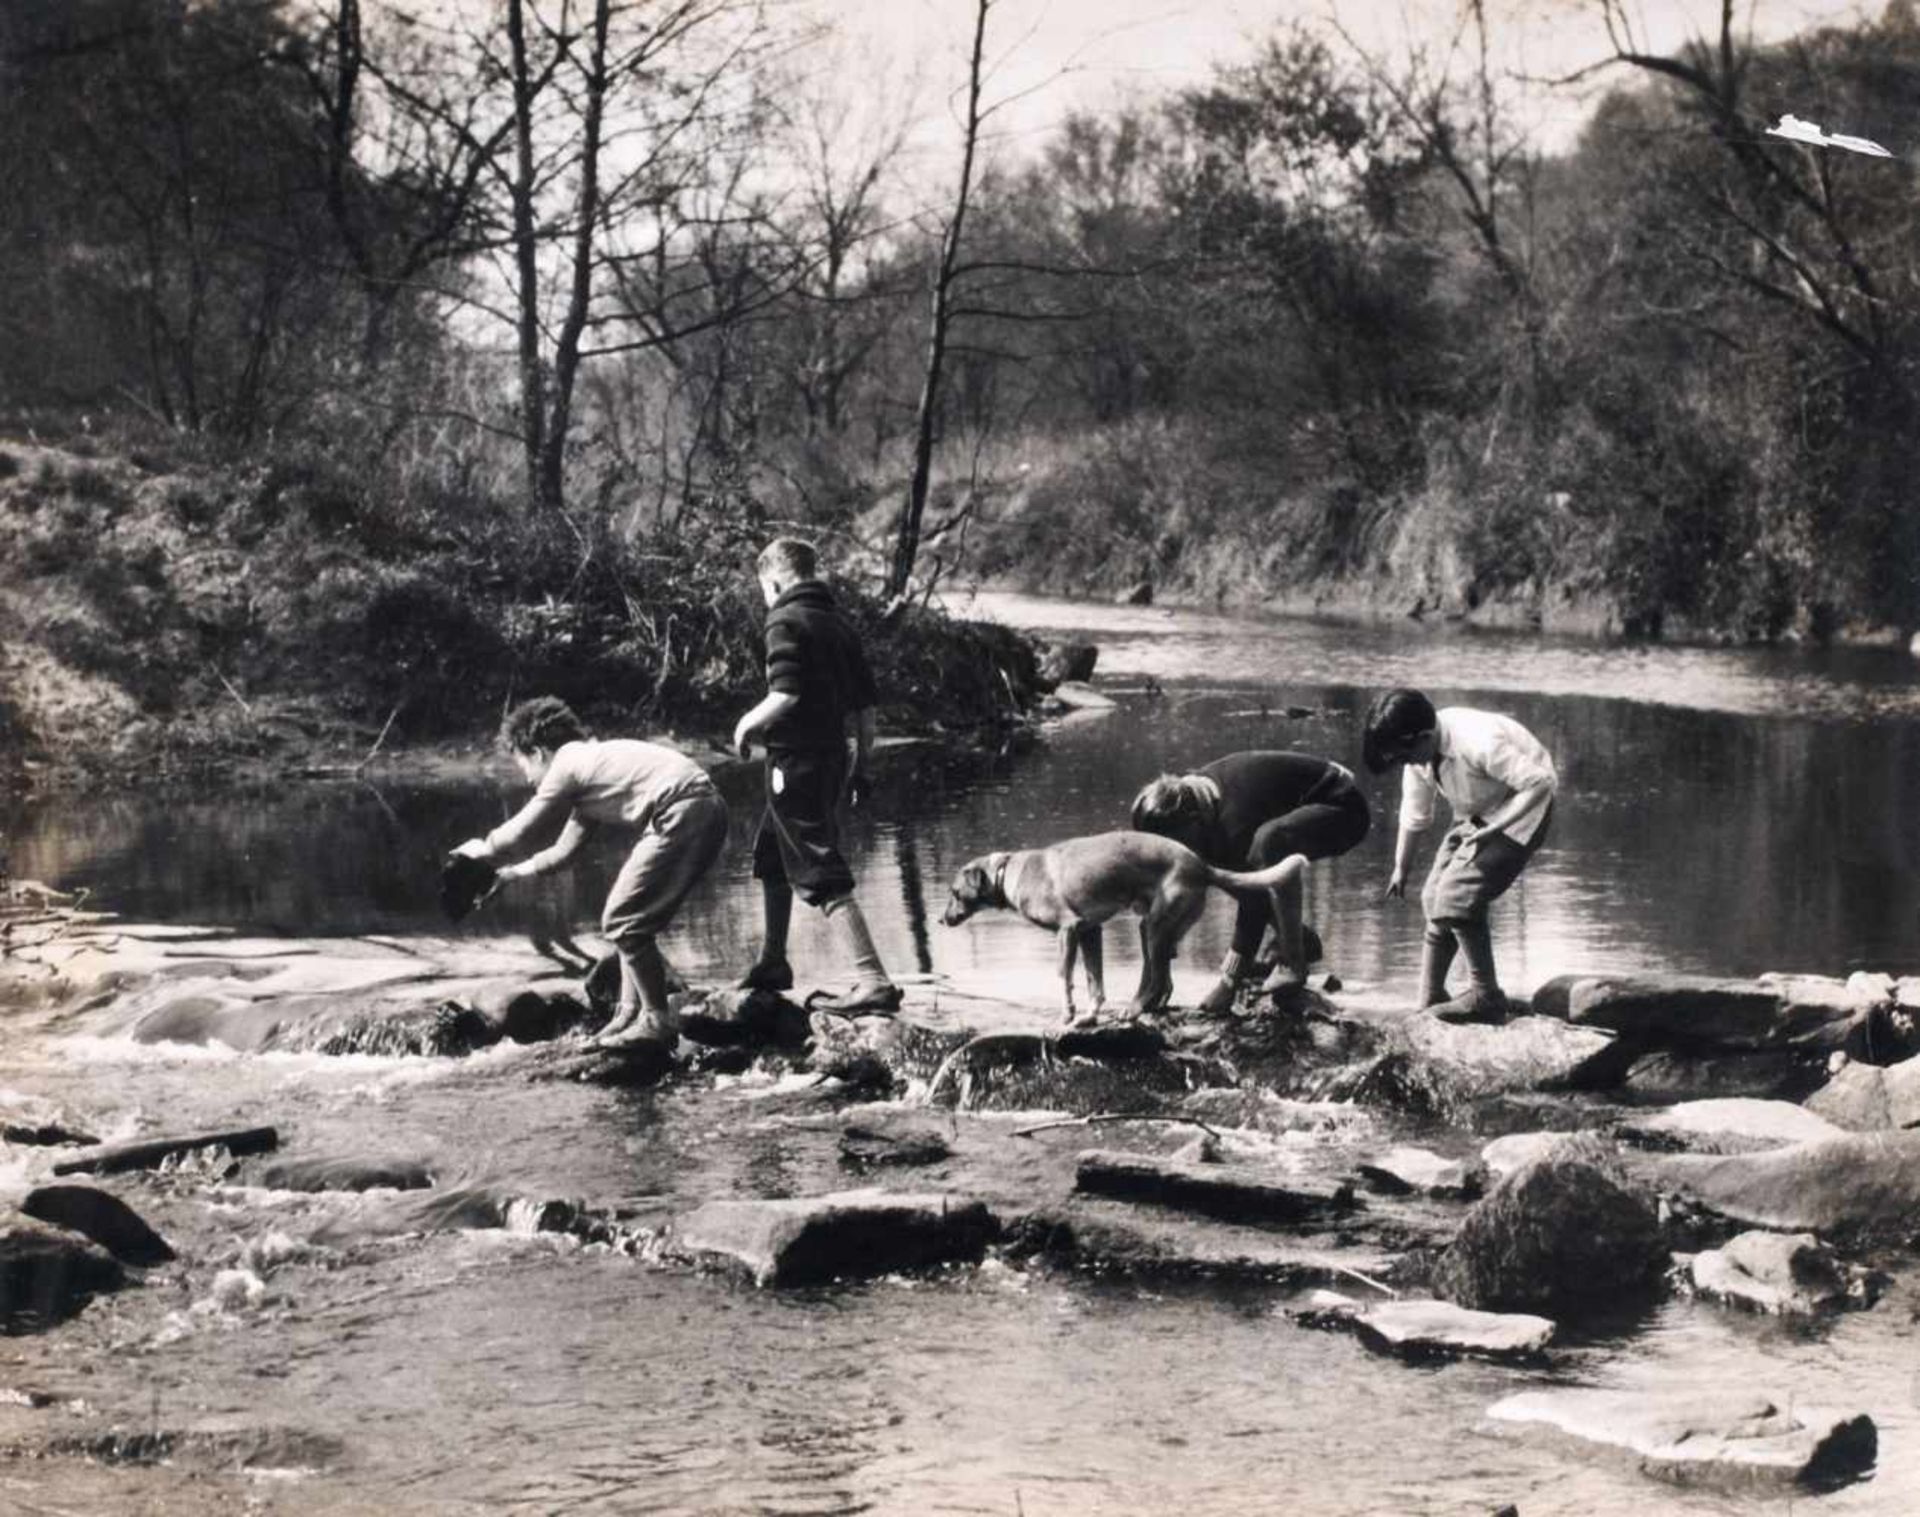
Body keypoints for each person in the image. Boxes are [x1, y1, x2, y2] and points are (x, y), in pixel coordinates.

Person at [454, 697, 729, 1051]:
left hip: (682, 810)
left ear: (537, 752)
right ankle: (629, 1015)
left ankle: (657, 1021)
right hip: (703, 808)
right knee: (633, 922)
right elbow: (562, 853)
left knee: (622, 918)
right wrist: (509, 874)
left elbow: (521, 829)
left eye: (523, 765)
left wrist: (480, 850)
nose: (526, 777)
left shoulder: (567, 762)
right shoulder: (589, 773)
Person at [730, 537, 902, 1014]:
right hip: (832, 759)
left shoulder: (784, 619)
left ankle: (873, 979)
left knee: (819, 868)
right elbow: (867, 710)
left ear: (775, 581)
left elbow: (785, 695)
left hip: (794, 762)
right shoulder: (840, 625)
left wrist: (746, 724)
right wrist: (862, 769)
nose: (766, 597)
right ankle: (772, 962)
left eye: (765, 589)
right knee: (772, 854)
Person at [1362, 688, 1557, 1018]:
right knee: (1433, 896)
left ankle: (1486, 996)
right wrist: (1401, 868)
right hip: (1477, 809)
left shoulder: (1478, 741)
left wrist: (1496, 829)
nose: (1405, 764)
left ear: (1424, 737)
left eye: (1405, 756)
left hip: (1522, 808)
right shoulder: (1419, 754)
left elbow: (1540, 784)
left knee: (1458, 897)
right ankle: (1431, 995)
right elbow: (1414, 814)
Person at [1130, 750, 1371, 1015]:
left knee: (1268, 845)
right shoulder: (1197, 804)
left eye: (1179, 842)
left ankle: (1293, 963)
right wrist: (1155, 978)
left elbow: (1254, 899)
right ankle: (1300, 940)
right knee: (1214, 867)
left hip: (1344, 808)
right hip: (1301, 810)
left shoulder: (1234, 822)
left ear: (1193, 820)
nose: (1175, 852)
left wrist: (1229, 982)